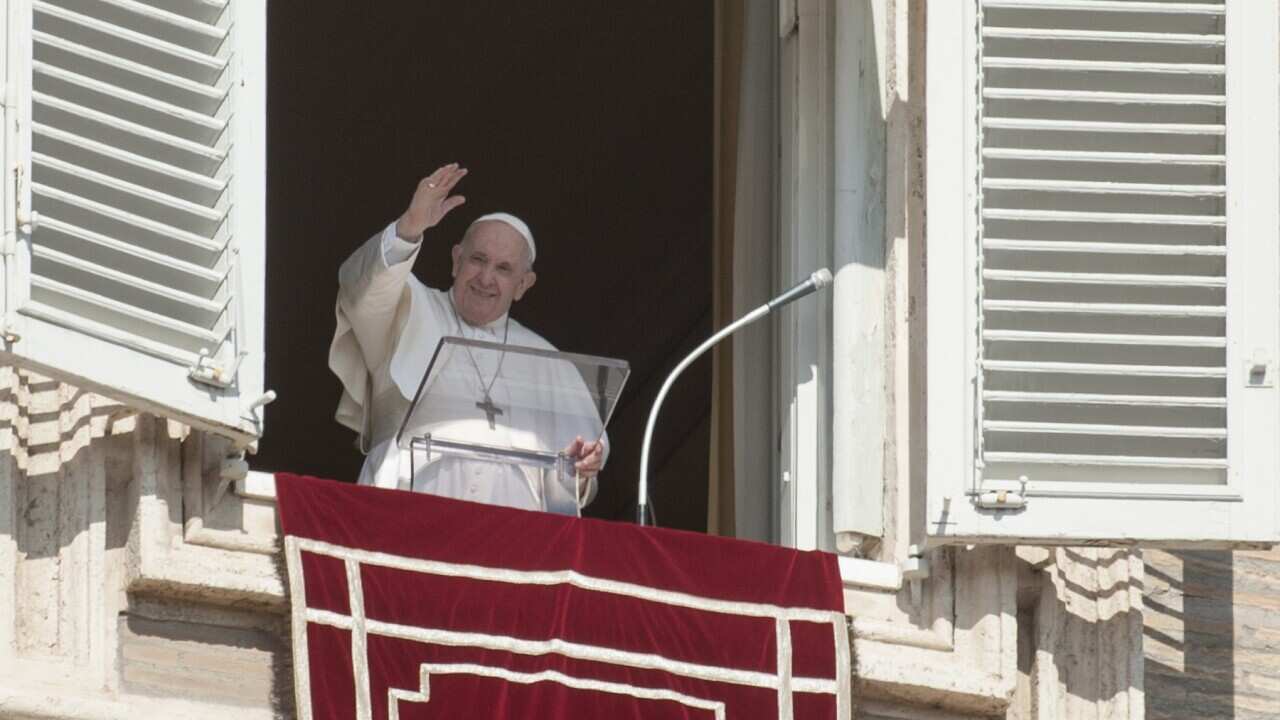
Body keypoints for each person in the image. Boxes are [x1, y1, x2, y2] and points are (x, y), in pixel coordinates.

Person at [328, 163, 606, 511]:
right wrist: (410, 227)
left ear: (523, 285)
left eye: (504, 269)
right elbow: (360, 288)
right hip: (410, 510)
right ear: (456, 260)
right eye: (478, 259)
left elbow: (566, 486)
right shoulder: (409, 308)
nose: (486, 278)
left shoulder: (546, 359)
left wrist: (575, 471)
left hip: (511, 535)